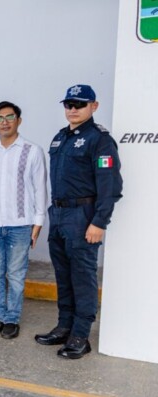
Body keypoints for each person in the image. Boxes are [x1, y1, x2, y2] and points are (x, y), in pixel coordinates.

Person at [35, 84, 123, 359]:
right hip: (59, 214)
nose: (73, 109)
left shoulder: (100, 140)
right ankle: (64, 326)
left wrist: (99, 222)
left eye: (80, 104)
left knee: (82, 277)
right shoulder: (60, 138)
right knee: (63, 275)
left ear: (93, 106)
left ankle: (80, 335)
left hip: (83, 216)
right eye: (68, 104)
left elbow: (110, 185)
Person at [0, 101, 47, 340]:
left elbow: (40, 188)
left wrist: (38, 222)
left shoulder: (32, 150)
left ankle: (12, 318)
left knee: (16, 274)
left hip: (20, 224)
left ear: (19, 120)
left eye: (9, 117)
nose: (4, 122)